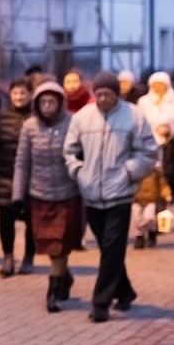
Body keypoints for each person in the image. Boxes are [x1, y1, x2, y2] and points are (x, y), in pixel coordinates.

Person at [64, 71, 157, 322]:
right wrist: (78, 171)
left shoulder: (134, 116)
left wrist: (129, 172)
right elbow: (70, 150)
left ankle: (100, 303)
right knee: (108, 249)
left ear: (117, 94)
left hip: (120, 194)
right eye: (99, 94)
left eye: (108, 94)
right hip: (91, 192)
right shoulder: (82, 117)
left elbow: (149, 151)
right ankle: (125, 291)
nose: (103, 98)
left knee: (113, 247)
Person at [12, 82, 81, 312]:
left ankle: (51, 292)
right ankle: (65, 276)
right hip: (39, 194)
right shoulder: (29, 126)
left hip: (67, 194)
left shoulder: (73, 123)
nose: (48, 105)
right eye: (43, 101)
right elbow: (22, 162)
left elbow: (82, 155)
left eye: (52, 101)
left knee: (60, 245)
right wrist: (17, 196)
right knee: (49, 246)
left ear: (61, 103)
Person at [0, 77, 35, 276]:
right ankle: (7, 256)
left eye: (23, 93)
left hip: (32, 178)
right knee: (5, 217)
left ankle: (29, 256)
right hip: (5, 175)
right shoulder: (2, 115)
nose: (19, 97)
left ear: (30, 94)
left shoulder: (36, 116)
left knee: (32, 219)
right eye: (15, 93)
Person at [137, 72, 174, 198]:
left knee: (170, 169)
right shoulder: (143, 102)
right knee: (152, 168)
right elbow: (140, 121)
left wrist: (169, 130)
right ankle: (154, 192)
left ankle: (170, 192)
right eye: (155, 85)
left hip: (171, 140)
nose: (158, 88)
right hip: (150, 139)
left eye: (161, 85)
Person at [131, 133, 173, 249]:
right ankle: (139, 236)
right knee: (136, 219)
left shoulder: (155, 169)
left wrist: (167, 194)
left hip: (151, 198)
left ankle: (152, 231)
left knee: (150, 217)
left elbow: (162, 183)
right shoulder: (133, 168)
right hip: (136, 198)